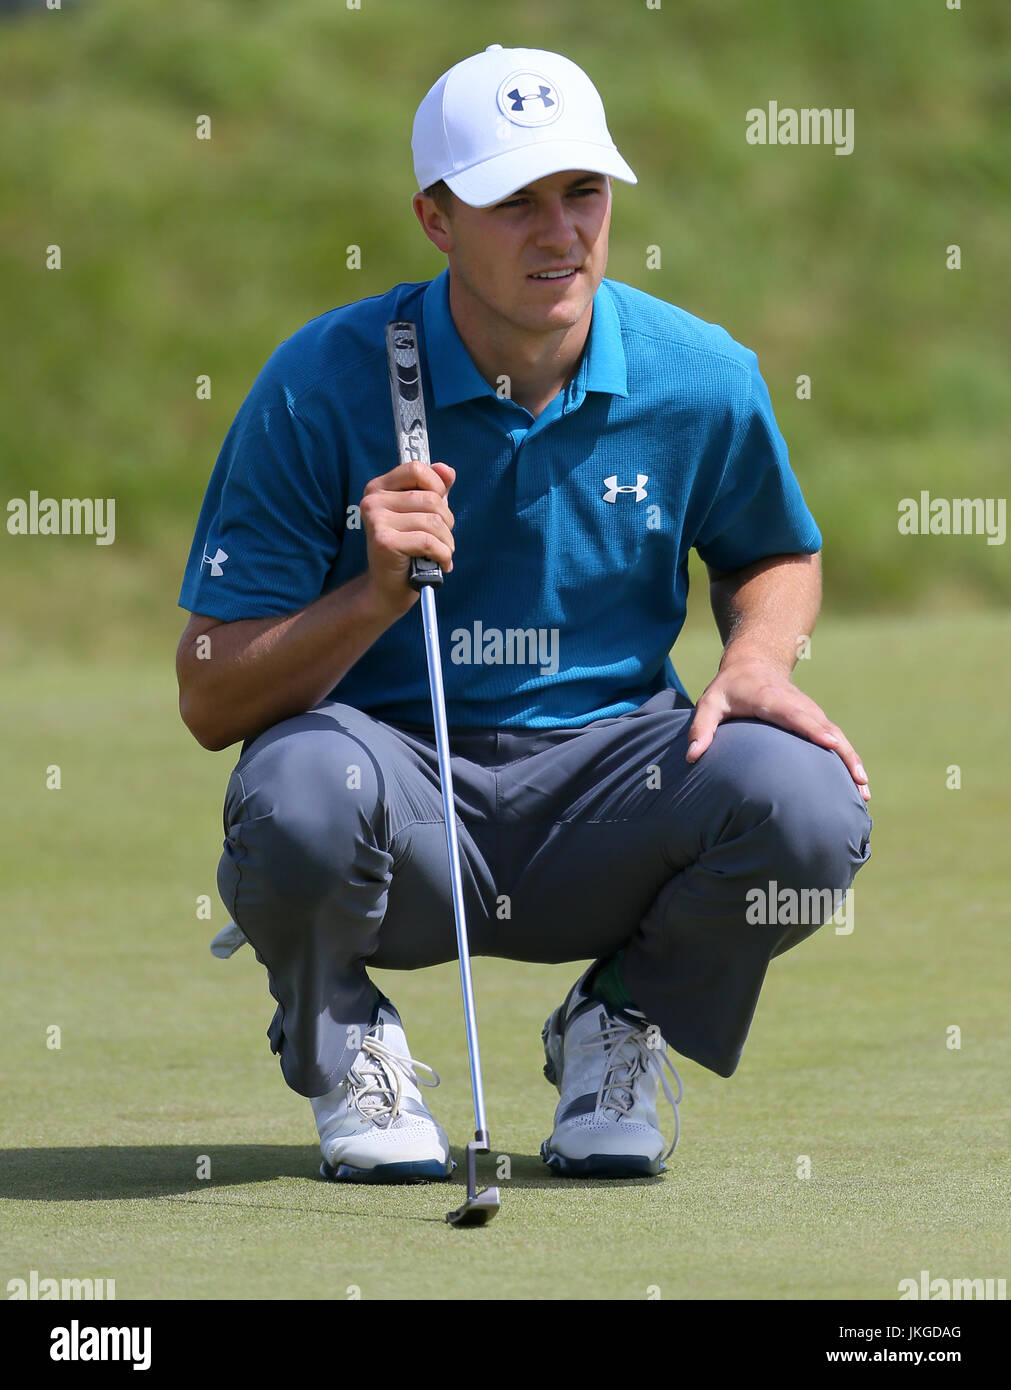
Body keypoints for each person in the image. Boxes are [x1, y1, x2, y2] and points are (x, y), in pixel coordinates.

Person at [175, 45, 872, 1184]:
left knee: (807, 798)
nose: (561, 233)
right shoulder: (319, 383)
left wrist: (757, 653)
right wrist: (371, 597)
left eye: (582, 193)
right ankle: (346, 1039)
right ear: (436, 217)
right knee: (296, 790)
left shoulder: (701, 376)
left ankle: (618, 1022)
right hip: (397, 807)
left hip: (612, 793)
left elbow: (777, 549)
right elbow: (210, 691)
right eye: (514, 203)